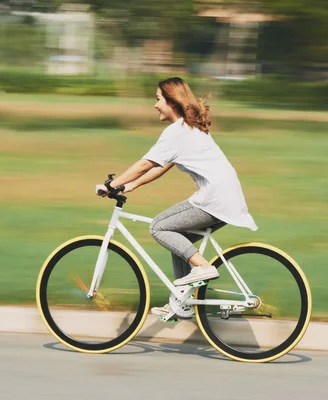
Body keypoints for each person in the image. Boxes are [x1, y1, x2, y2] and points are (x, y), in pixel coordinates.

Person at [96, 77, 258, 317]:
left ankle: (203, 267)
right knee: (177, 239)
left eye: (158, 99)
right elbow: (162, 165)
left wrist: (112, 183)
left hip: (214, 198)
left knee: (159, 226)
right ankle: (181, 302)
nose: (155, 105)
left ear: (172, 101)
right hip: (225, 197)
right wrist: (131, 186)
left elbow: (144, 163)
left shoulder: (176, 132)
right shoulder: (186, 128)